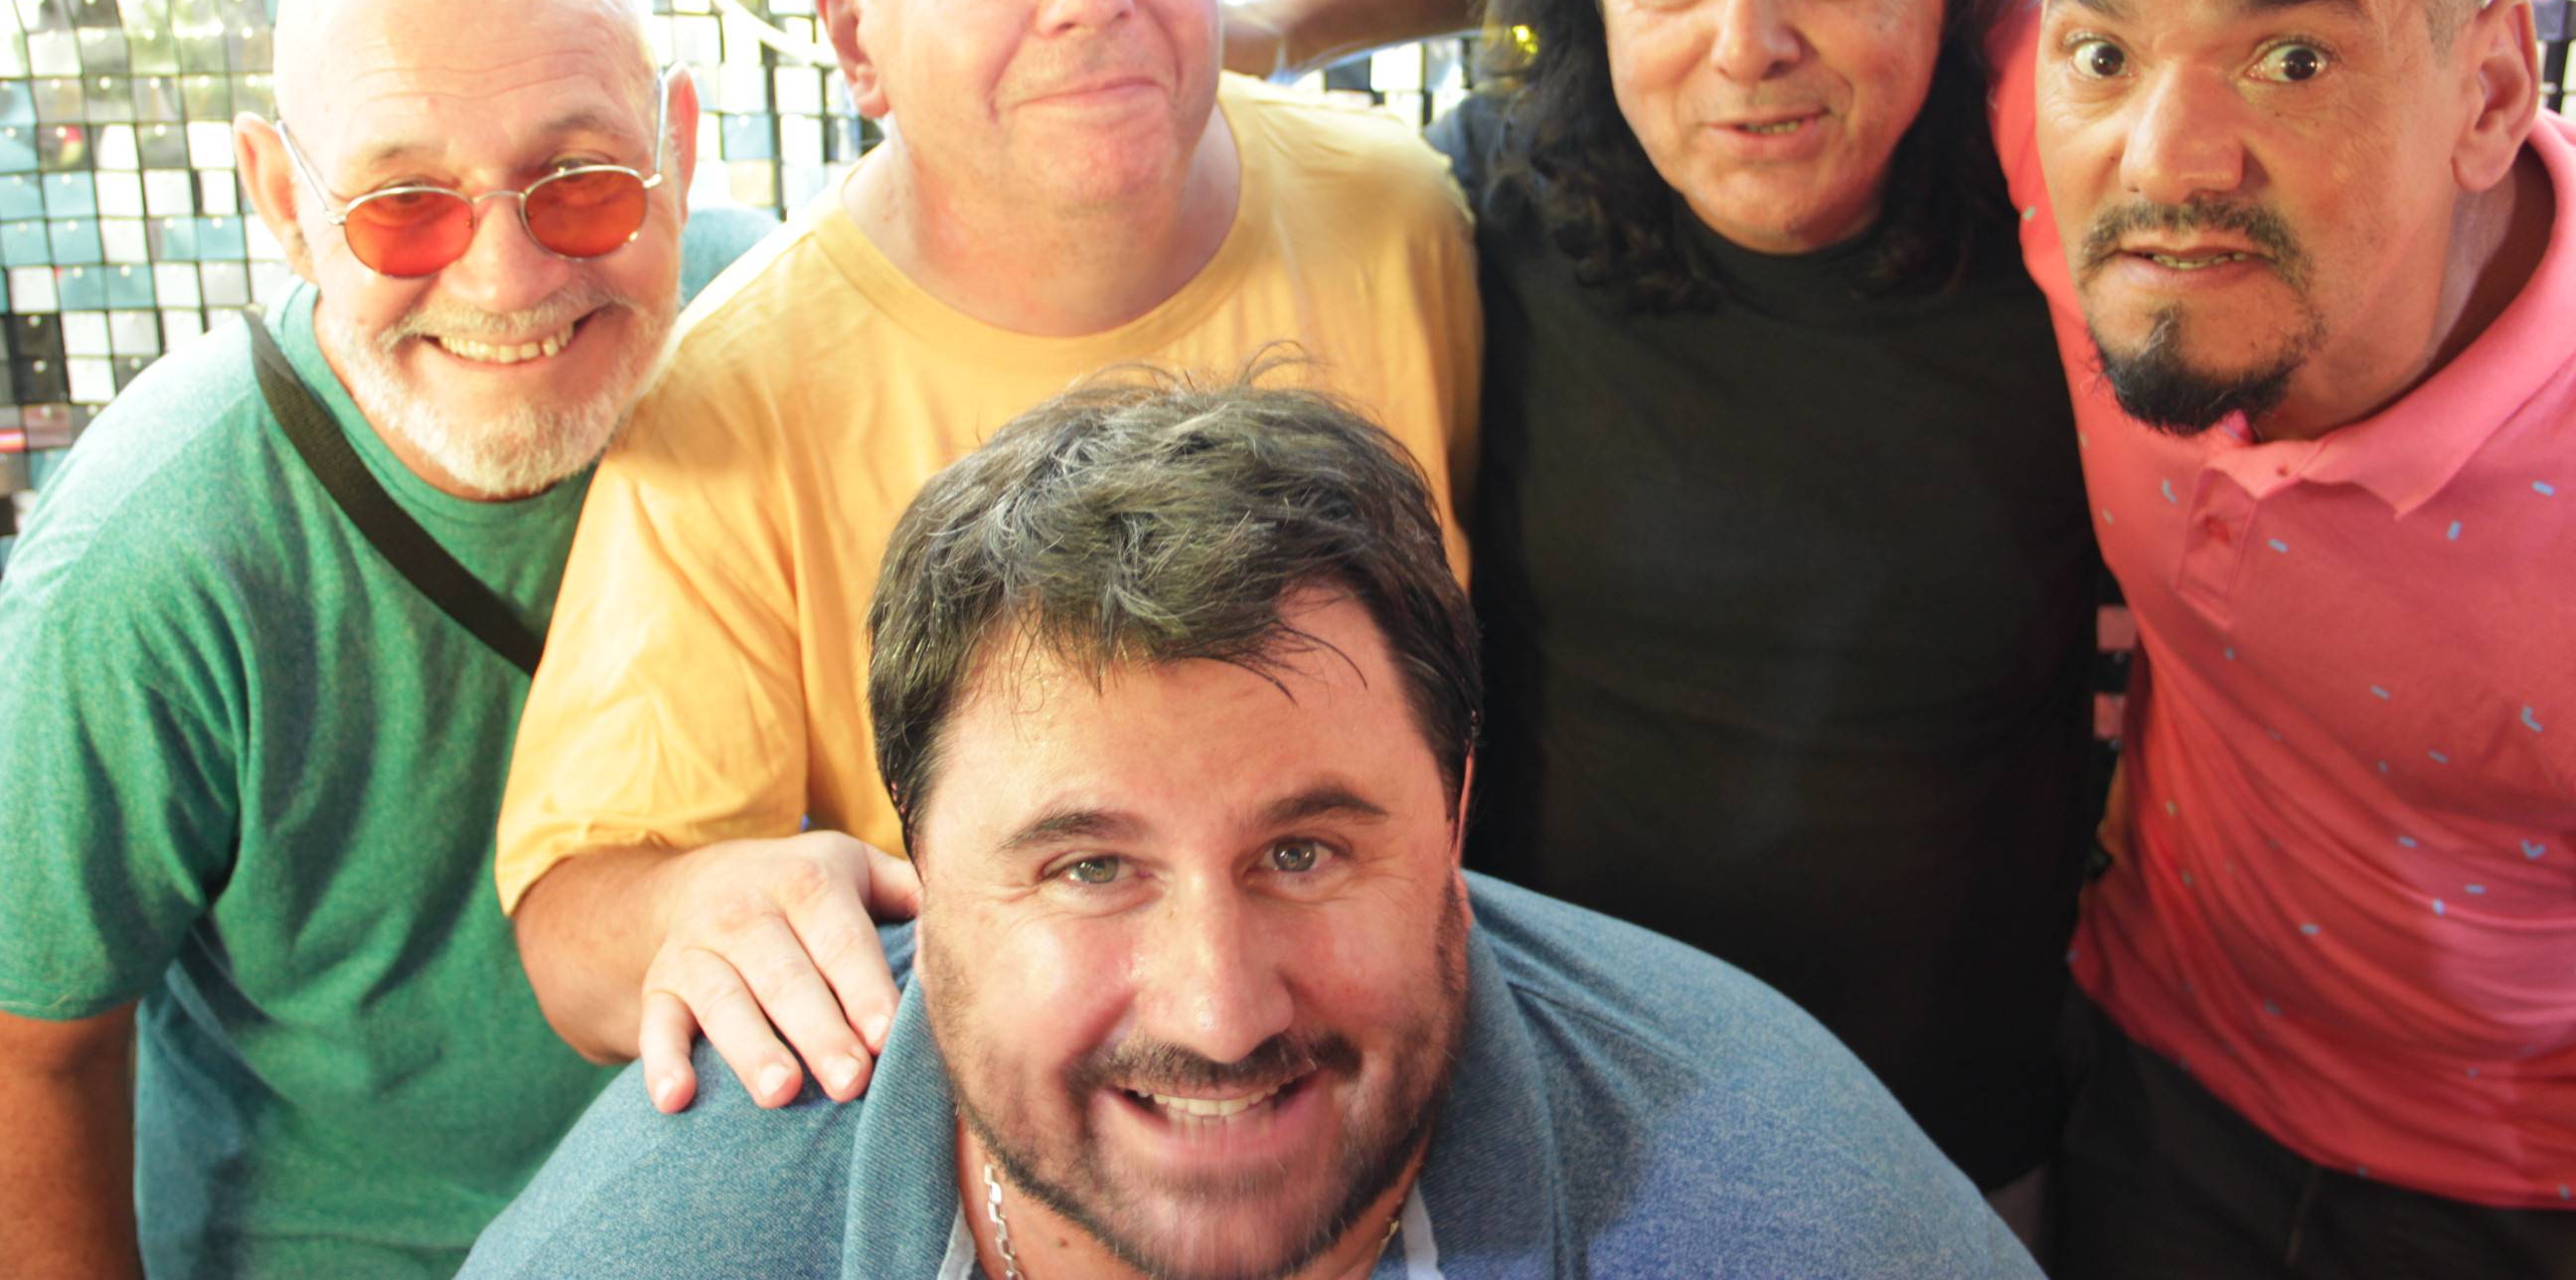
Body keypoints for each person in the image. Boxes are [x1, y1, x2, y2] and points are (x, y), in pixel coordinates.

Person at [494, 0, 1481, 1126]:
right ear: (855, 43)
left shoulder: (1398, 217)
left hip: (1402, 1072)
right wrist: (705, 906)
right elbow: (579, 910)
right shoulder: (732, 394)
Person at [462, 376, 2040, 1280]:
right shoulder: (658, 1246)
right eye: (1090, 869)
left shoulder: (1808, 1220)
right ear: (919, 876)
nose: (1219, 1012)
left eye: (1304, 853)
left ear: (1455, 822)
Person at [1237, 0, 2101, 1234]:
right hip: (1553, 1121)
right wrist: (1282, 26)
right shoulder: (1498, 205)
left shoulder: (2073, 253)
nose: (1748, 42)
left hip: (1950, 1148)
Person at [0, 0, 775, 1278]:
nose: (509, 278)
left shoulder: (777, 339)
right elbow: (30, 1050)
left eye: (582, 181)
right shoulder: (147, 558)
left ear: (678, 146)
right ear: (284, 204)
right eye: (407, 206)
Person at [1996, 0, 2576, 1277]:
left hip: (2518, 1195)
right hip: (2144, 1072)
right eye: (2101, 54)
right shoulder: (2074, 159)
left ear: (2488, 94)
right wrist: (1357, 8)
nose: (2166, 160)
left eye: (2294, 60)